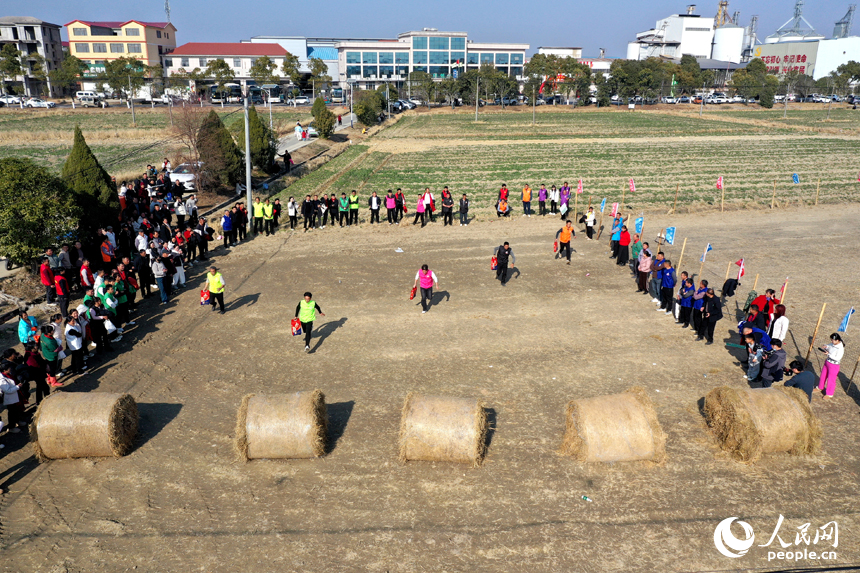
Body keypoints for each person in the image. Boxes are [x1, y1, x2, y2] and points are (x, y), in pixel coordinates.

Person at [817, 333, 844, 399]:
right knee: (823, 375)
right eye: (831, 340)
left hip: (834, 365)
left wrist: (828, 354)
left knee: (831, 379)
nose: (832, 341)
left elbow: (838, 358)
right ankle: (820, 387)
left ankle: (829, 393)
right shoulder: (833, 343)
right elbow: (830, 346)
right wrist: (826, 346)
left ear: (837, 340)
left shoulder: (840, 348)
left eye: (833, 340)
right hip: (827, 362)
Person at [0, 363, 25, 434]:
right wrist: (17, 387)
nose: (10, 369)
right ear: (4, 370)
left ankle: (17, 421)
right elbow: (7, 390)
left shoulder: (7, 375)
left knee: (16, 411)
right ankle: (11, 427)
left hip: (13, 397)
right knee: (12, 413)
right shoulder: (2, 380)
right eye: (8, 368)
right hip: (9, 399)